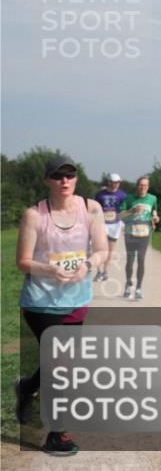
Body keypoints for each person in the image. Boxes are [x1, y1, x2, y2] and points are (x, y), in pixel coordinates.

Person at [13, 155, 108, 457]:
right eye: (57, 176)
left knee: (59, 362)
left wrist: (89, 264)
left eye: (69, 175)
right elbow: (22, 262)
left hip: (76, 300)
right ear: (47, 181)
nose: (64, 181)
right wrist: (51, 270)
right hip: (40, 303)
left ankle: (27, 388)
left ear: (77, 178)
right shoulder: (35, 215)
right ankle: (58, 434)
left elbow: (103, 249)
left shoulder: (91, 209)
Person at [119, 175, 158, 300]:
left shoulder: (152, 198)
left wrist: (156, 218)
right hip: (130, 234)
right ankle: (128, 284)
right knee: (130, 262)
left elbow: (154, 213)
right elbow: (120, 215)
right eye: (141, 185)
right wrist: (132, 211)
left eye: (145, 185)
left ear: (148, 187)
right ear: (137, 186)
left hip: (144, 234)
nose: (143, 188)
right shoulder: (129, 198)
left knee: (141, 260)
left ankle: (139, 288)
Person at [93, 173, 126, 282]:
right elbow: (95, 208)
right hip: (102, 224)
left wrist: (122, 222)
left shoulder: (122, 195)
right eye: (113, 182)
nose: (115, 184)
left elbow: (123, 210)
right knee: (99, 249)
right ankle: (98, 271)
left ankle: (105, 271)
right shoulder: (100, 194)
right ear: (109, 182)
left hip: (115, 225)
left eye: (117, 182)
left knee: (110, 250)